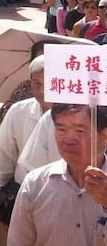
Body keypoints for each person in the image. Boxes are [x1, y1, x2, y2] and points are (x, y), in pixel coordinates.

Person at [7, 104, 107, 246]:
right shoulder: (35, 184)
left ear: (104, 136)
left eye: (80, 131)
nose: (68, 139)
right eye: (61, 129)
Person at [0, 56, 49, 246]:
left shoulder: (73, 118)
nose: (42, 90)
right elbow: (3, 156)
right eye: (37, 83)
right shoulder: (18, 111)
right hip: (20, 196)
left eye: (48, 83)